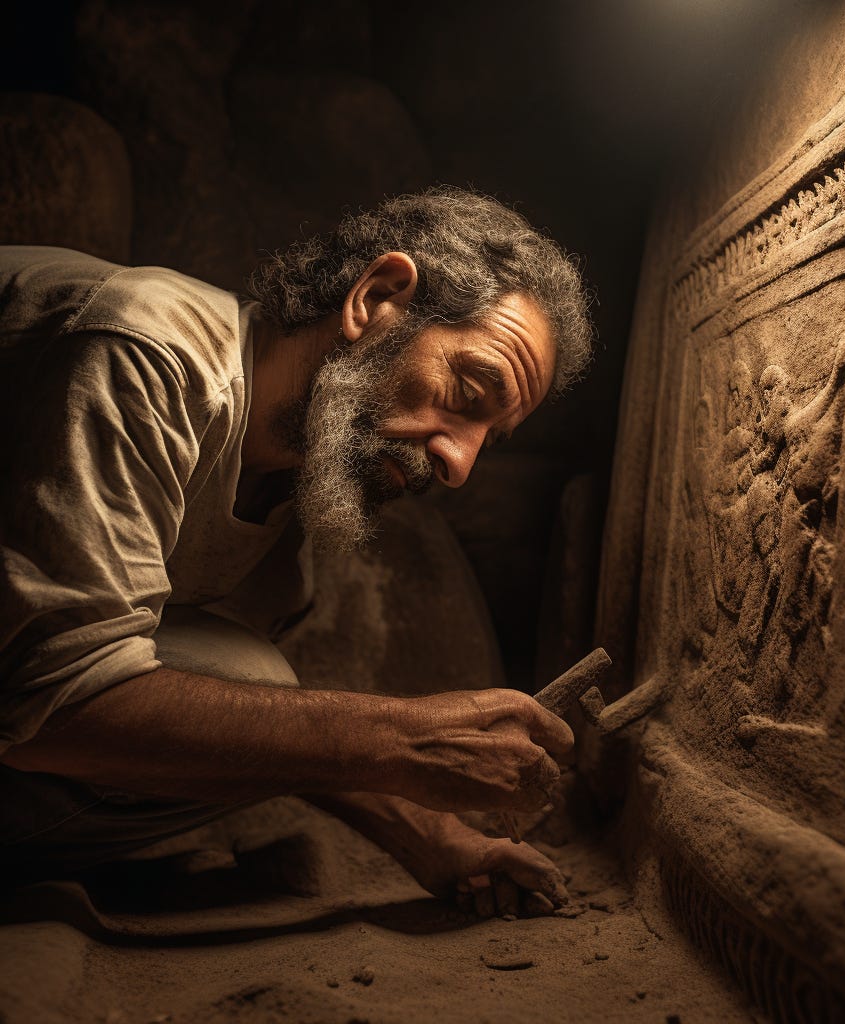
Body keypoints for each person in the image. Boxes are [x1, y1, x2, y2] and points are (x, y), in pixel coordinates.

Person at [0, 186, 593, 914]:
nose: (460, 465)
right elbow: (52, 696)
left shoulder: (296, 471)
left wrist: (431, 838)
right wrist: (406, 743)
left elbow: (253, 720)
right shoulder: (146, 357)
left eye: (489, 440)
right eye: (467, 391)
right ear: (376, 298)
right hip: (34, 703)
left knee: (244, 680)